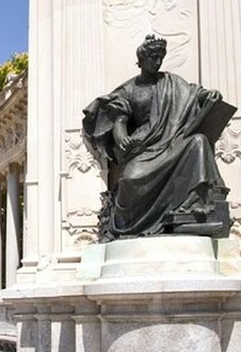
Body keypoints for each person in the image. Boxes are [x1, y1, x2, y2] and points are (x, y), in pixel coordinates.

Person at [82, 34, 232, 240]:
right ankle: (133, 225)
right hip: (144, 148)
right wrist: (123, 139)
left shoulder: (172, 82)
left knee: (199, 142)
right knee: (131, 178)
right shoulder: (129, 90)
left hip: (173, 142)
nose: (158, 61)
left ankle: (192, 212)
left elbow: (194, 93)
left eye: (160, 57)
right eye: (153, 57)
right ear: (141, 60)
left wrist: (209, 95)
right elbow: (119, 122)